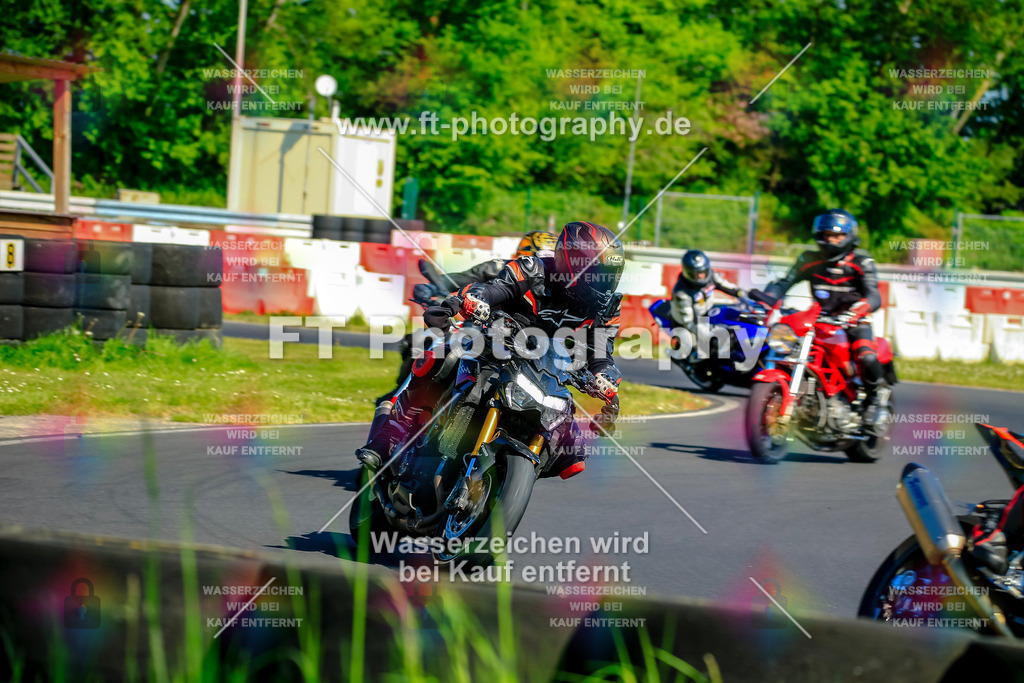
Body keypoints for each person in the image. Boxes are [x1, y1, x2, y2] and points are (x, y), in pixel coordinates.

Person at [357, 221, 623, 480]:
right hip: (494, 344)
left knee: (571, 448)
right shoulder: (533, 269)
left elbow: (601, 352)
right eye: (596, 274)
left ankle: (507, 474)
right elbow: (493, 289)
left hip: (543, 365)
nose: (603, 283)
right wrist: (473, 300)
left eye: (609, 276)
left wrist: (606, 377)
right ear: (571, 263)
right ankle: (390, 434)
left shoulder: (606, 307)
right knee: (443, 355)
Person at [764, 209, 886, 424]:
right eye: (827, 235)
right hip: (819, 321)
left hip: (854, 321)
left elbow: (874, 294)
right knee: (787, 349)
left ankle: (874, 399)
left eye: (837, 236)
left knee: (867, 356)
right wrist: (767, 298)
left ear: (849, 236)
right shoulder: (809, 259)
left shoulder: (862, 261)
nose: (831, 240)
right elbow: (785, 282)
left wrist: (859, 309)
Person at [664, 249, 746, 357]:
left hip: (706, 311)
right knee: (702, 352)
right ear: (687, 272)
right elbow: (689, 322)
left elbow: (730, 288)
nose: (701, 276)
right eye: (696, 274)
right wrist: (710, 336)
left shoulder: (711, 275)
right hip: (686, 321)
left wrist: (744, 294)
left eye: (703, 272)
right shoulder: (681, 292)